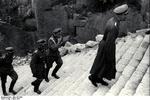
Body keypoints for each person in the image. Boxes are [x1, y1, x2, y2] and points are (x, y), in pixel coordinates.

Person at [88, 4, 128, 87]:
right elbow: (109, 42)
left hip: (105, 43)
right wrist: (109, 55)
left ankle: (99, 78)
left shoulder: (113, 20)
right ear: (121, 15)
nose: (126, 16)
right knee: (105, 63)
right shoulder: (114, 26)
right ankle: (93, 77)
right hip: (107, 46)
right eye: (125, 14)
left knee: (103, 63)